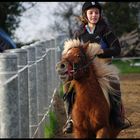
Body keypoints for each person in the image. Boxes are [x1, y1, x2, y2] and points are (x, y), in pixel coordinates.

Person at [62, 2, 131, 134]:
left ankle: (117, 117)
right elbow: (73, 51)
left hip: (104, 67)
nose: (94, 15)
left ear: (100, 14)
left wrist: (102, 52)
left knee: (114, 82)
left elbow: (117, 49)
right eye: (91, 12)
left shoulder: (106, 30)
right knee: (67, 85)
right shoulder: (79, 32)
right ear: (85, 15)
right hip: (84, 70)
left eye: (96, 12)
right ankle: (70, 119)